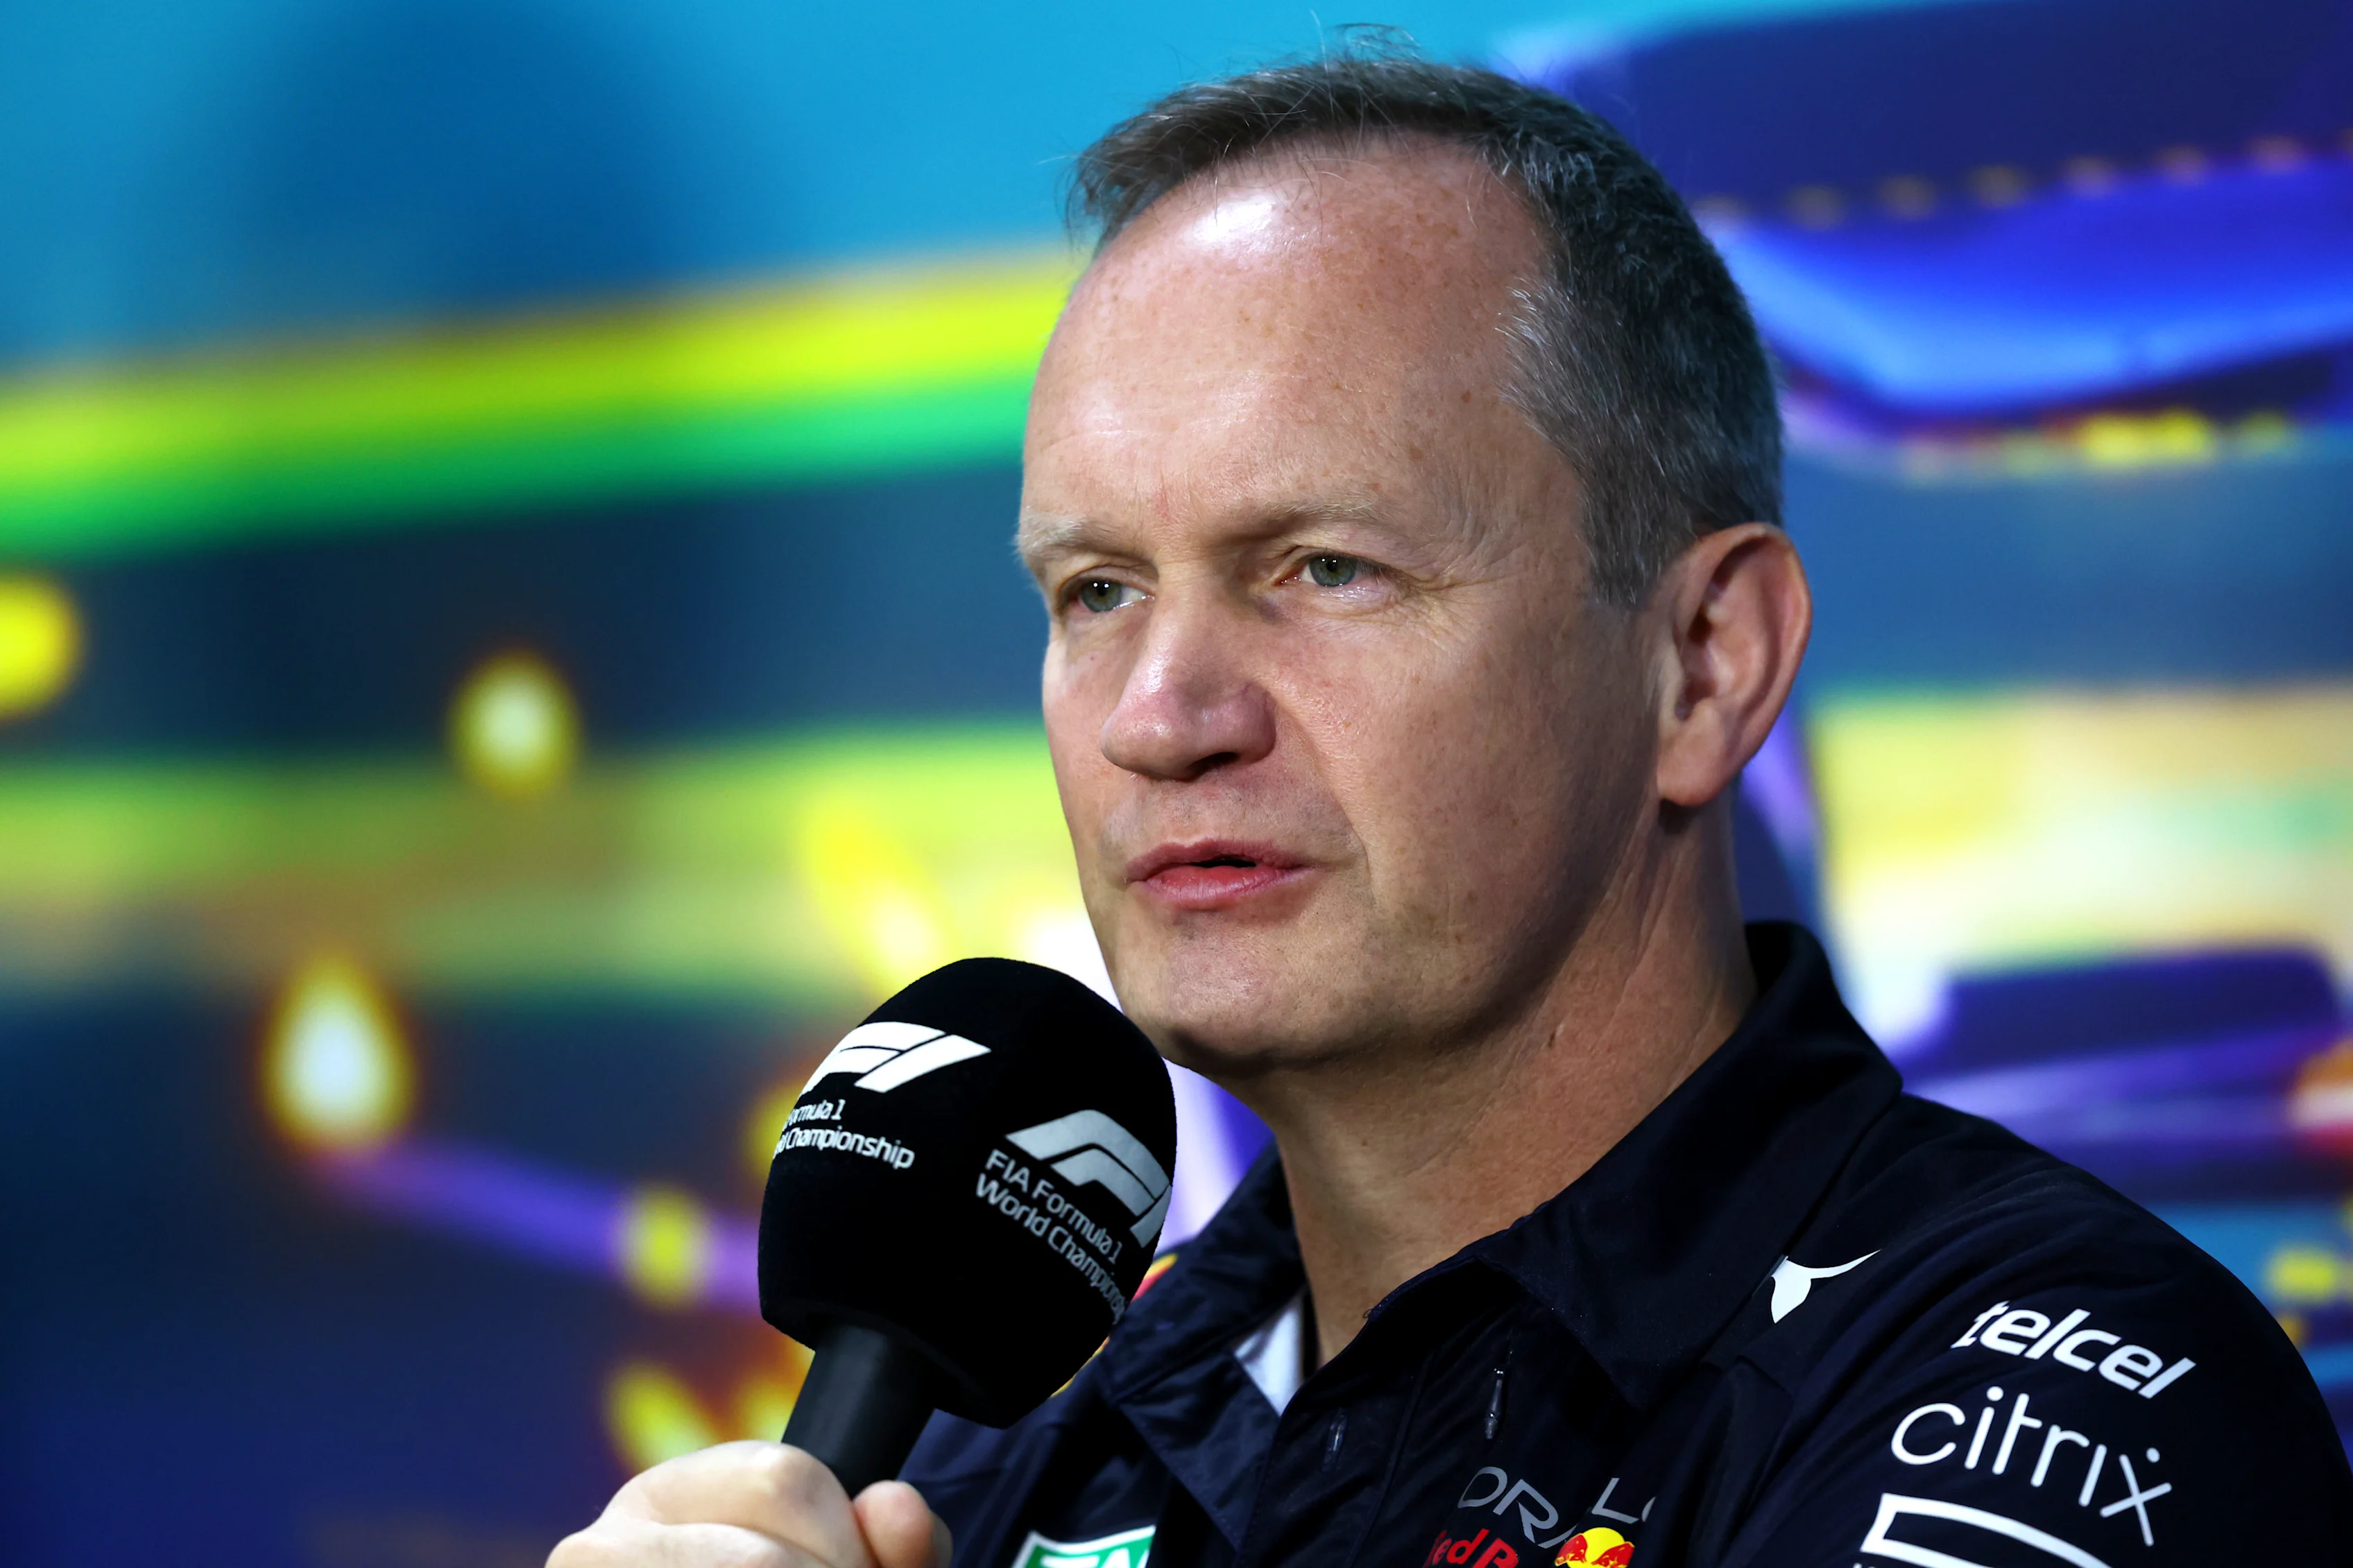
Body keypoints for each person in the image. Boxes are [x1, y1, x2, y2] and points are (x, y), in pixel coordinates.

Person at [551, 49, 2352, 1568]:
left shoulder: (2062, 1415)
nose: (1165, 715)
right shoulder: (989, 1466)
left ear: (1706, 661)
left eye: (1323, 567)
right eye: (1097, 589)